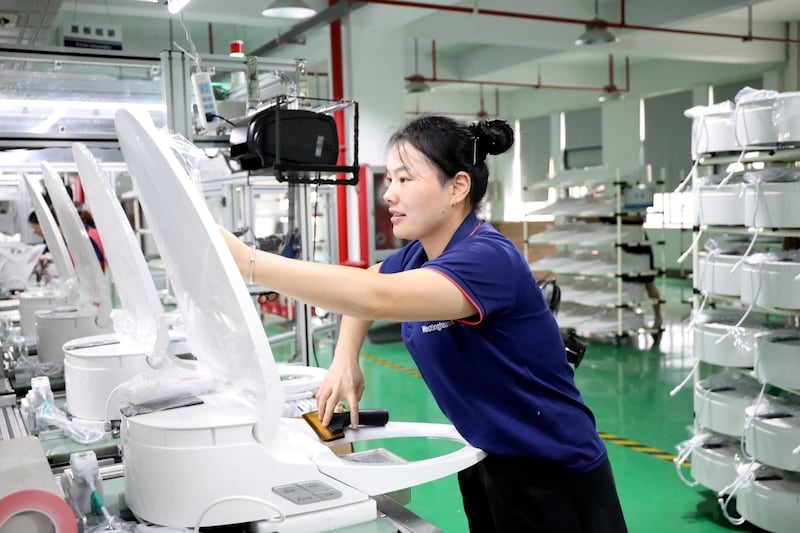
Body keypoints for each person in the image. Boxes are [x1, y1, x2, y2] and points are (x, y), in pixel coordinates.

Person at [221, 116, 627, 532]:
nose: (388, 194)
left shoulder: (487, 258)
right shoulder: (419, 256)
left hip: (552, 470)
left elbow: (374, 296)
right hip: (485, 458)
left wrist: (248, 263)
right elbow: (364, 289)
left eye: (404, 179)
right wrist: (345, 359)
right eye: (390, 179)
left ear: (457, 188)